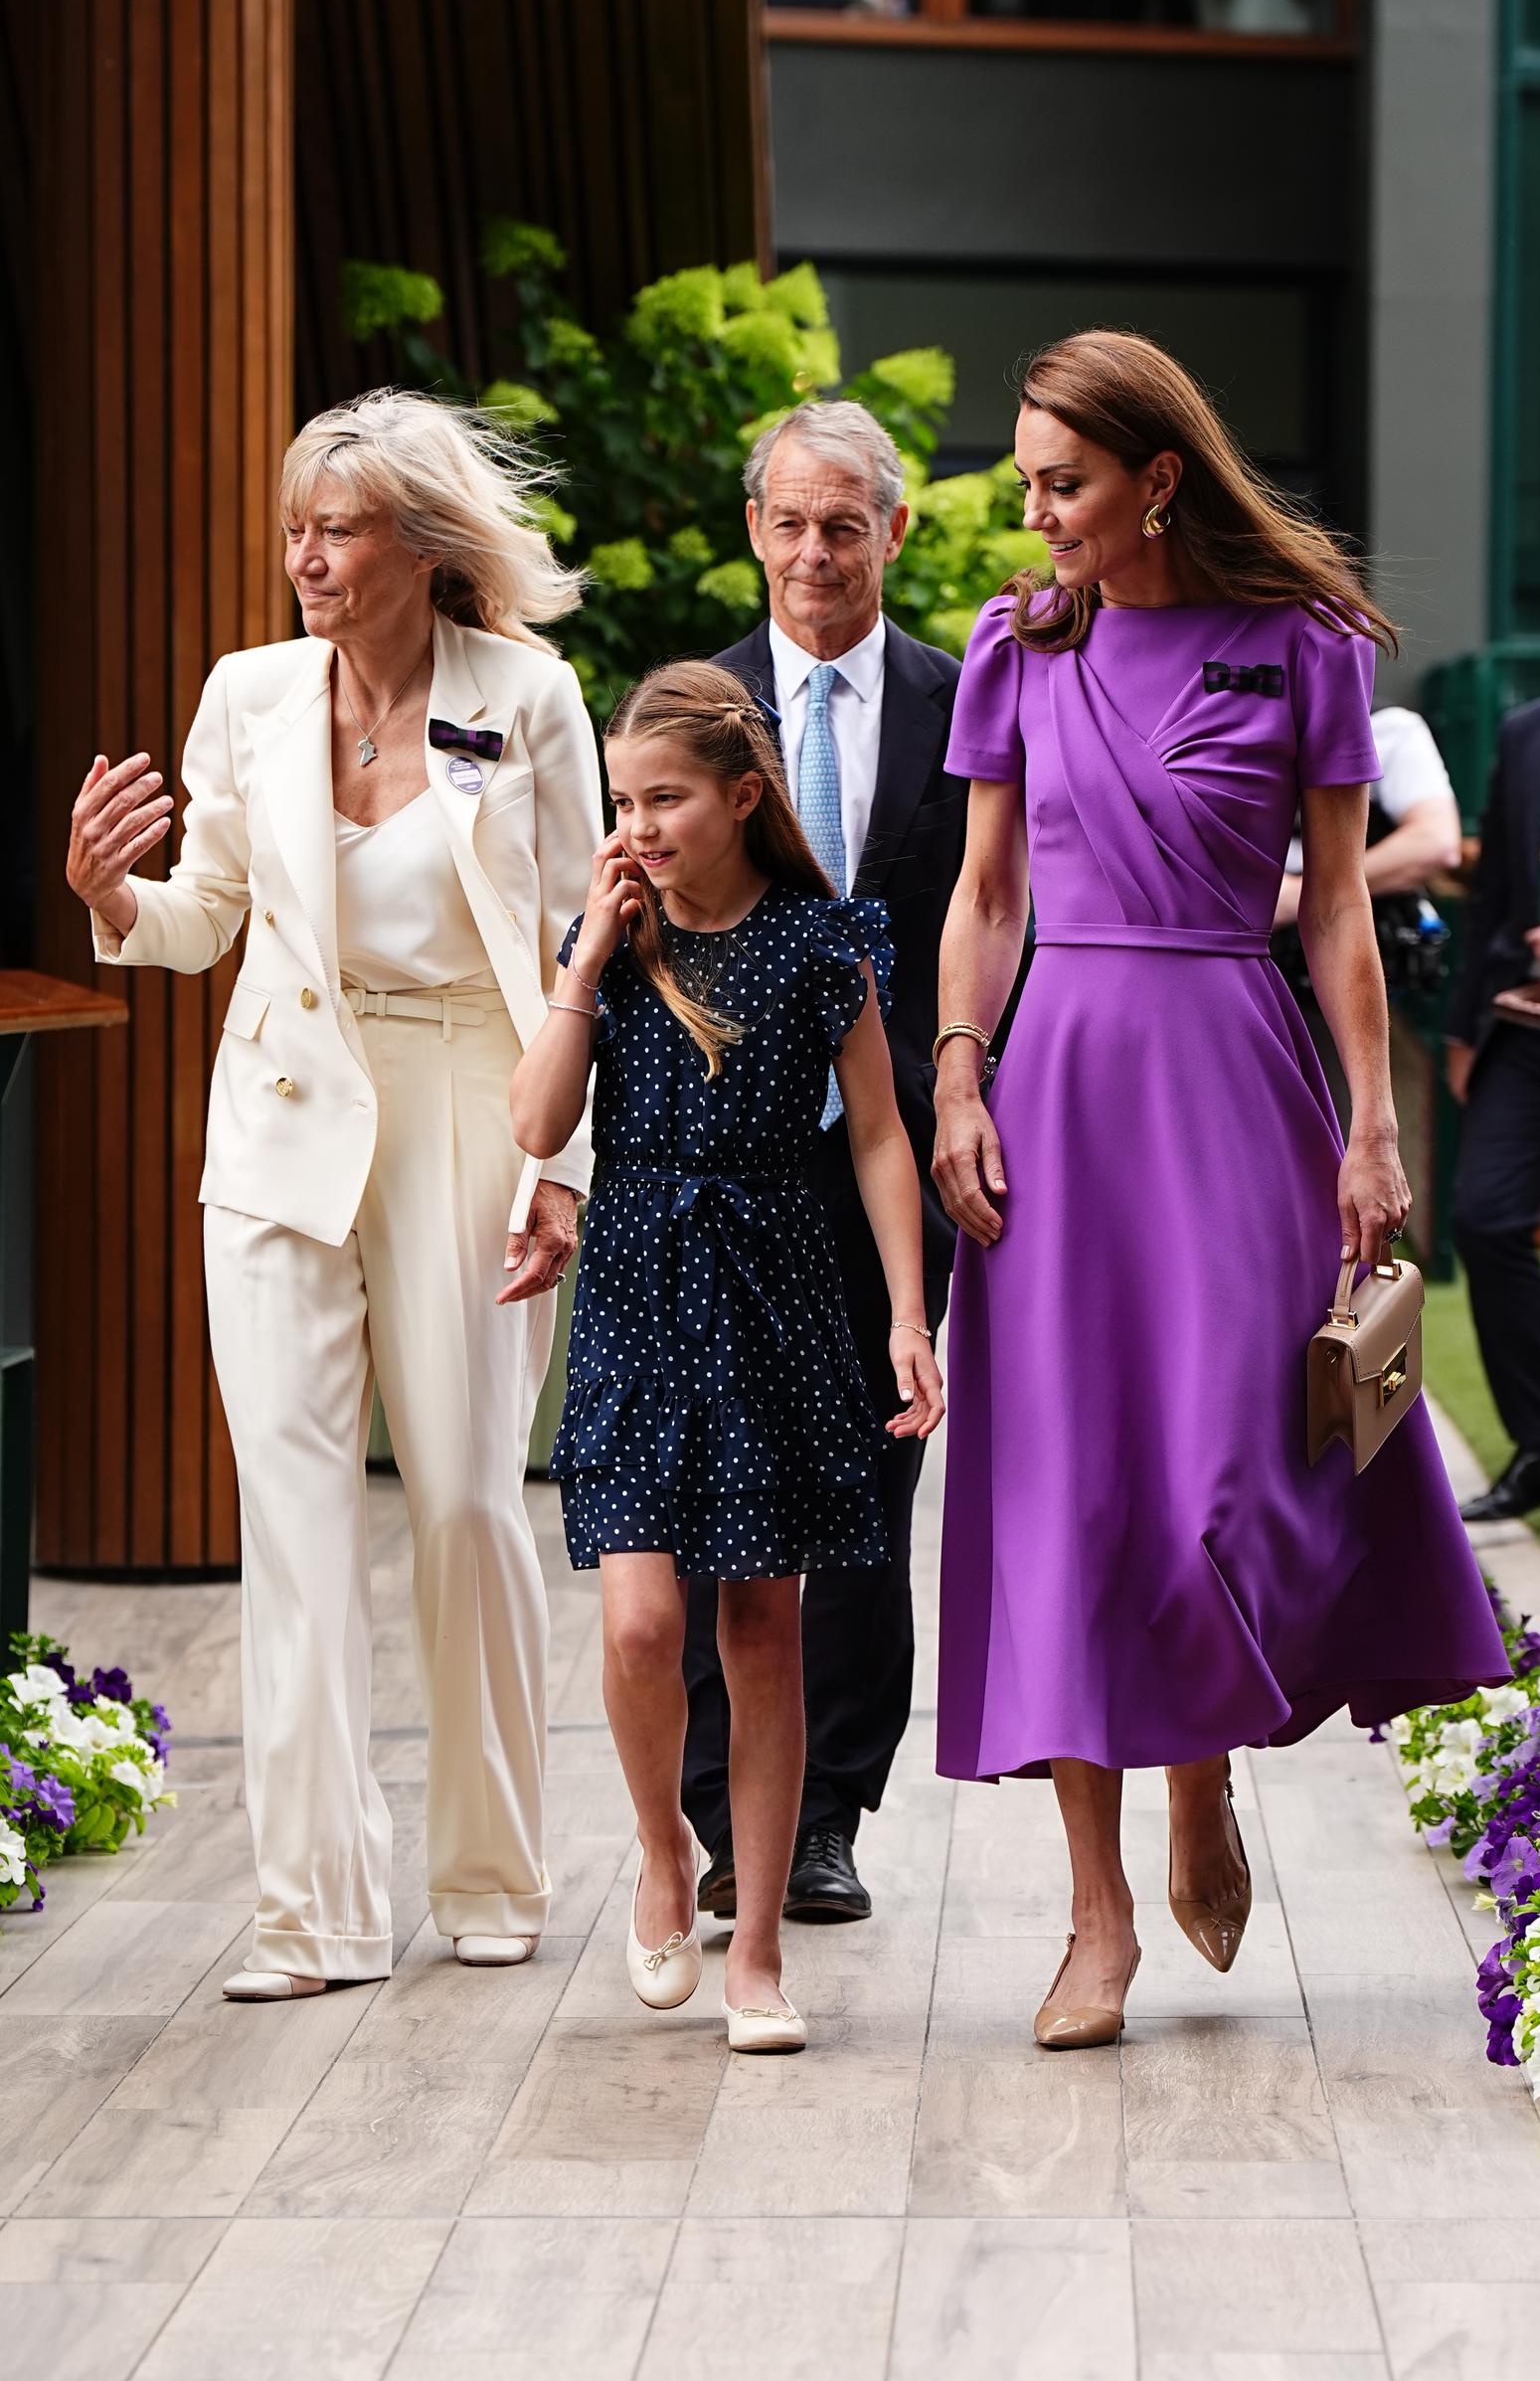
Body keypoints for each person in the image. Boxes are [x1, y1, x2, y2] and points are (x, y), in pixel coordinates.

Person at [932, 329, 1510, 2050]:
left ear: (1157, 480)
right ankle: (1094, 1917)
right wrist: (960, 1067)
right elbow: (984, 893)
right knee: (1068, 1499)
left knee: (1215, 1488)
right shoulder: (1014, 647)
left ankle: (1203, 1779)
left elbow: (1335, 906)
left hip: (1233, 1087)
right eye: (1029, 481)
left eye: (1065, 485)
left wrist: (1373, 1126)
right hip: (1056, 1096)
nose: (1036, 515)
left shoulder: (1301, 647)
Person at [66, 390, 601, 1999]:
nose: (305, 554)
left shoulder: (530, 695)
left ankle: (493, 1873)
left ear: (424, 547)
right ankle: (315, 1915)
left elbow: (589, 945)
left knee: (458, 1505)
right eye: (296, 523)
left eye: (339, 526)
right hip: (286, 1110)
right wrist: (110, 893)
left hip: (470, 1110)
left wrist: (565, 1164)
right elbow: (207, 912)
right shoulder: (251, 693)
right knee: (294, 1530)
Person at [509, 661, 943, 2051]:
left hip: (776, 1291)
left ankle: (756, 1949)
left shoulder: (824, 939)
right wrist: (583, 958)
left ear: (742, 797)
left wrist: (905, 1312)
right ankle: (656, 1850)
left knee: (762, 1627)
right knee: (642, 1619)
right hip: (639, 1284)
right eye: (623, 800)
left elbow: (879, 1133)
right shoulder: (613, 944)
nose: (638, 824)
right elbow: (533, 1122)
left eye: (667, 798)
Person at [682, 401, 970, 1929]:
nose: (814, 553)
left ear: (894, 533)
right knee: (717, 1484)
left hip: (897, 1165)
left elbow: (1006, 923)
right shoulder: (696, 708)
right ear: (756, 531)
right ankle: (729, 1813)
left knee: (868, 1491)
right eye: (789, 523)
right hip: (720, 1168)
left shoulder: (962, 701)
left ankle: (829, 1815)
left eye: (843, 525)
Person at [1445, 533, 1540, 1523]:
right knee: (1485, 1215)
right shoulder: (1531, 728)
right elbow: (1496, 889)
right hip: (1522, 1029)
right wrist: (1462, 1029)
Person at [1273, 706, 1462, 1119]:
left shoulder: (1388, 729)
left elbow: (1436, 842)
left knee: (1343, 1133)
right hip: (1234, 980)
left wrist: (1300, 895)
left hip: (1340, 983)